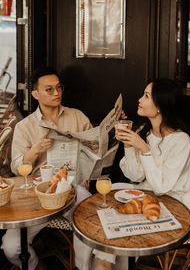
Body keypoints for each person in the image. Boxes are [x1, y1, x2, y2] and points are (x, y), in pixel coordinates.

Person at [1, 67, 115, 270]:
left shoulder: (77, 117)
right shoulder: (25, 126)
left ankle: (85, 268)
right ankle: (37, 267)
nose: (57, 93)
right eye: (49, 89)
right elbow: (18, 167)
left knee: (96, 226)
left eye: (59, 87)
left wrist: (109, 131)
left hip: (73, 190)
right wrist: (34, 151)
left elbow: (97, 147)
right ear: (35, 94)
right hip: (38, 195)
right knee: (11, 247)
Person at [116, 78, 190, 223]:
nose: (140, 99)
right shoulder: (145, 132)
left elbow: (161, 187)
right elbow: (135, 176)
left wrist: (144, 148)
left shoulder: (181, 141)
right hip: (149, 199)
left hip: (179, 209)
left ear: (160, 106)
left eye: (146, 96)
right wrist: (128, 145)